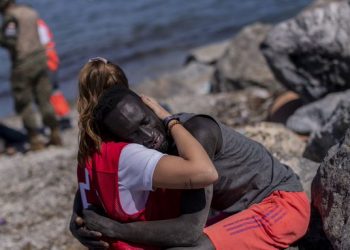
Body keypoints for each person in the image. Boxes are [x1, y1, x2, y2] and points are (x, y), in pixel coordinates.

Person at [70, 58, 310, 250]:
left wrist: (114, 229)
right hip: (237, 212)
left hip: (278, 204)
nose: (148, 136)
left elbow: (189, 231)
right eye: (133, 135)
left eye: (146, 121)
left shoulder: (196, 132)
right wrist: (79, 220)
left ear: (150, 105)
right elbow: (92, 183)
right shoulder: (140, 146)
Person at [74, 57, 217, 249]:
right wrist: (170, 120)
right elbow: (204, 173)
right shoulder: (128, 155)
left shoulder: (88, 151)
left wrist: (75, 220)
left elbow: (87, 195)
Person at [0, 0, 62, 150]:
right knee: (44, 99)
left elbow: (10, 41)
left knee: (24, 102)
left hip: (23, 63)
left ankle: (34, 139)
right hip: (40, 59)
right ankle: (54, 132)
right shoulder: (30, 12)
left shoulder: (11, 17)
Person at [37, 18, 72, 129]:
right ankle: (61, 117)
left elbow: (44, 43)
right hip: (49, 60)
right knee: (53, 91)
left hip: (48, 62)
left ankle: (63, 118)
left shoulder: (37, 25)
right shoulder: (38, 23)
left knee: (52, 91)